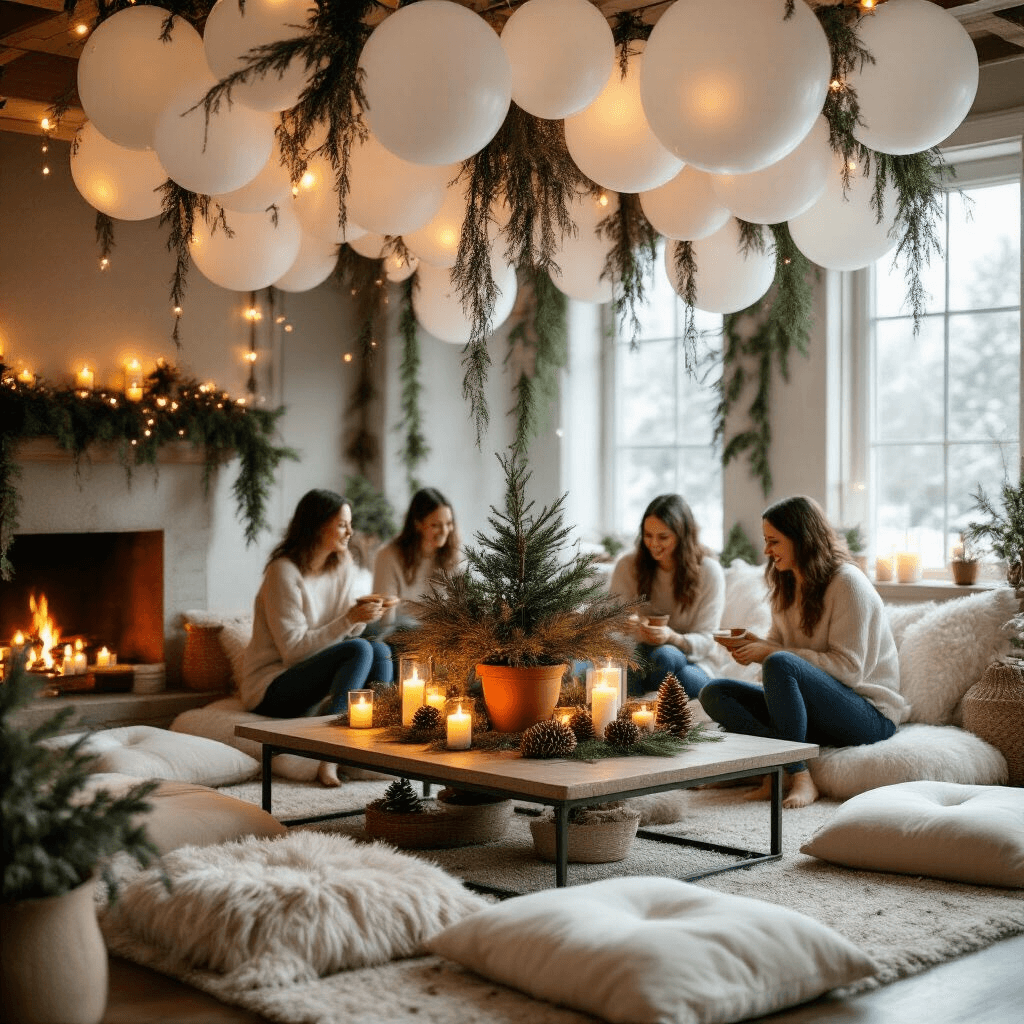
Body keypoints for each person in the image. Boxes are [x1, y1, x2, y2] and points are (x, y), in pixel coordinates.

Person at [699, 495, 911, 808]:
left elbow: (848, 670)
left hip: (868, 712)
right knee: (715, 692)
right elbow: (778, 651)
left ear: (802, 540)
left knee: (781, 661)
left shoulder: (848, 583)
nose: (767, 551)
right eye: (766, 541)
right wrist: (754, 646)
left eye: (774, 541)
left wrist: (771, 652)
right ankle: (770, 765)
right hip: (814, 710)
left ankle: (797, 773)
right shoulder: (785, 584)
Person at [240, 488, 394, 786]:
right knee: (361, 650)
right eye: (341, 524)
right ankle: (329, 756)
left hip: (314, 674)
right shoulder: (283, 572)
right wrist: (349, 619)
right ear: (315, 525)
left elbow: (341, 632)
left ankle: (380, 743)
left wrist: (360, 617)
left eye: (350, 524)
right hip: (271, 686)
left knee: (381, 650)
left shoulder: (342, 563)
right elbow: (294, 652)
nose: (350, 532)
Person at [608, 494, 725, 700]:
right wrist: (627, 625)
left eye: (663, 537)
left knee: (668, 659)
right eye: (647, 535)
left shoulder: (709, 571)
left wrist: (672, 637)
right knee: (626, 664)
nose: (653, 544)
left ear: (682, 537)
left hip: (695, 661)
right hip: (639, 655)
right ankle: (634, 709)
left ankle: (639, 698)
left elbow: (708, 640)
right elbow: (613, 625)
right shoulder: (627, 565)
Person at [372, 487, 460, 625]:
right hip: (400, 636)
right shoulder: (388, 556)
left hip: (441, 636)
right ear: (417, 524)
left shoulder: (453, 556)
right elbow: (384, 619)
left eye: (449, 524)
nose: (445, 531)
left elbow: (462, 606)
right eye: (435, 525)